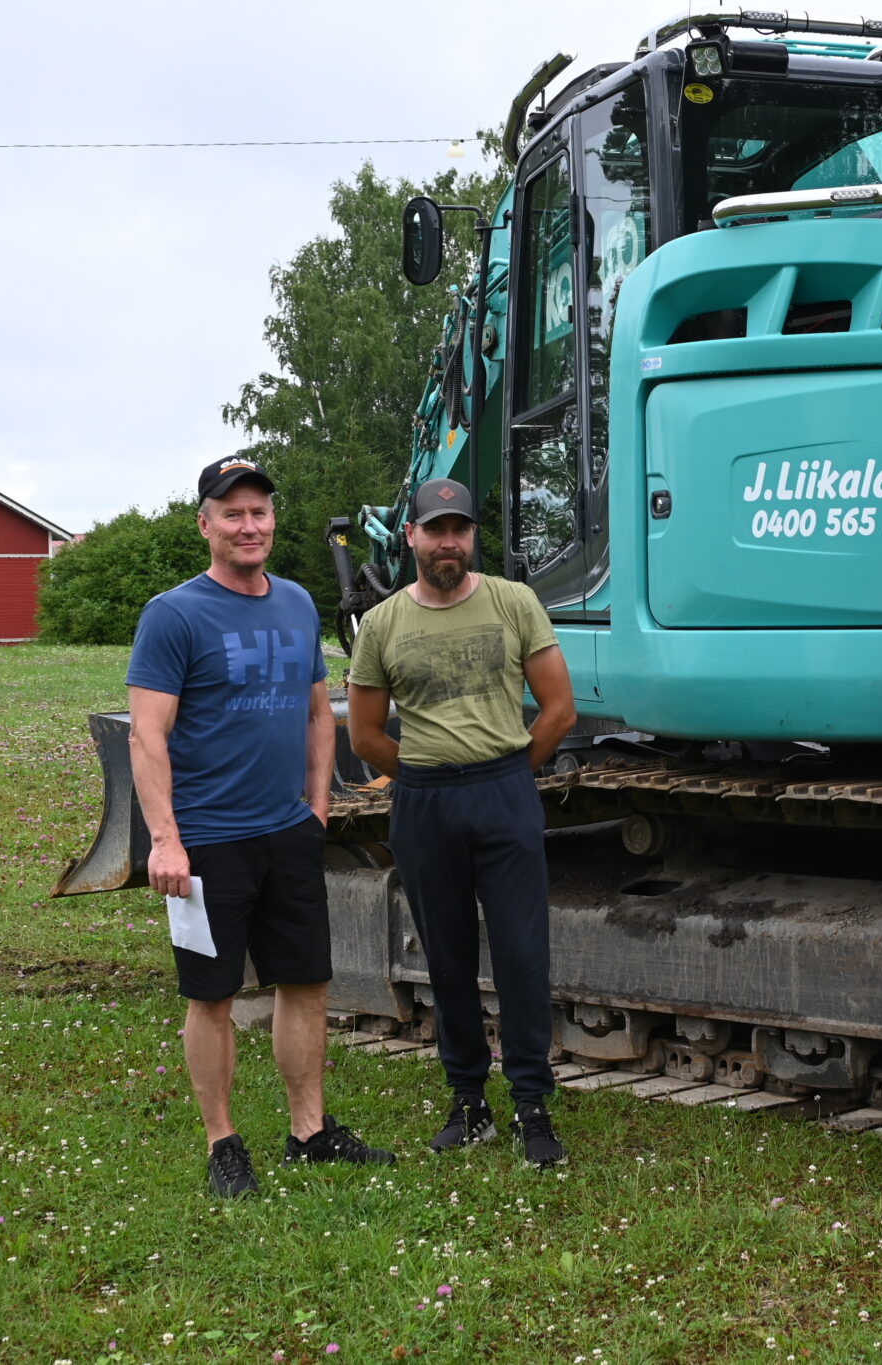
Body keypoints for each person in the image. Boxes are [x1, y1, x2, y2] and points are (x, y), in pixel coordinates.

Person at [127, 456, 396, 1199]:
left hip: (288, 833)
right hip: (208, 840)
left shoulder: (298, 604)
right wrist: (166, 839)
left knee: (306, 981)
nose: (250, 525)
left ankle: (308, 1131)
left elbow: (319, 711)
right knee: (210, 995)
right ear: (205, 524)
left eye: (261, 512)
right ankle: (223, 1144)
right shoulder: (174, 614)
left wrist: (317, 804)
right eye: (233, 513)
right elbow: (147, 736)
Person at [345, 478, 578, 1167]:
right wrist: (424, 771)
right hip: (425, 802)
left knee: (521, 955)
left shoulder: (514, 602)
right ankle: (468, 1101)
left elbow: (558, 708)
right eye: (434, 528)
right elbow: (363, 734)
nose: (448, 541)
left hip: (503, 790)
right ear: (410, 536)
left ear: (473, 536)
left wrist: (507, 772)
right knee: (445, 957)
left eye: (460, 528)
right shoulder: (384, 623)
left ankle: (531, 1104)